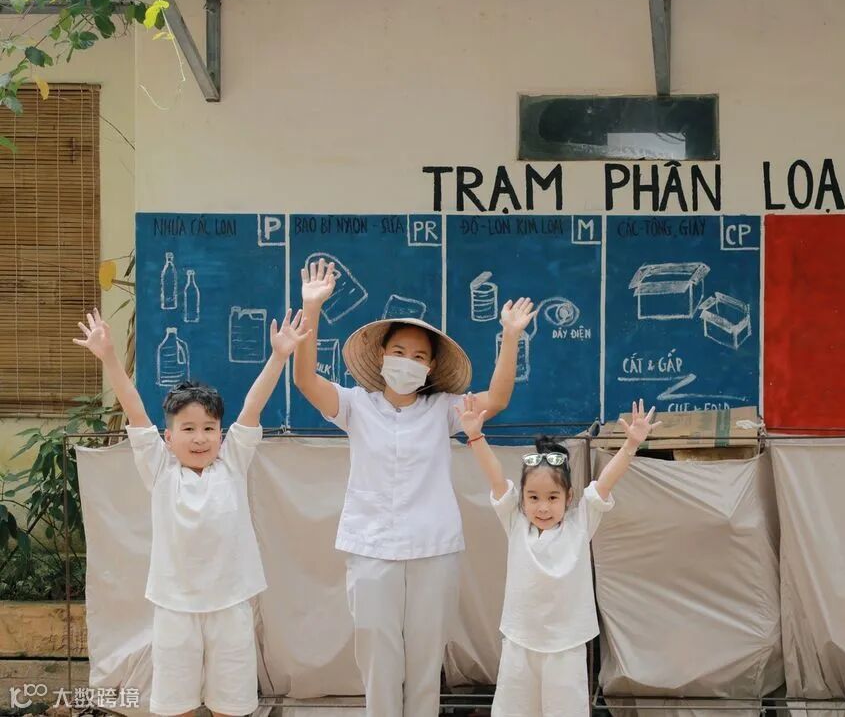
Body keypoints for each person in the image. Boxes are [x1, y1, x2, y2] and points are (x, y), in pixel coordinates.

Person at [291, 258, 537, 716]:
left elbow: (498, 398)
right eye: (400, 351)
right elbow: (305, 379)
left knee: (425, 658)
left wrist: (510, 337)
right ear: (382, 356)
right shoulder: (355, 405)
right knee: (377, 656)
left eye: (420, 356)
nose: (408, 361)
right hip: (370, 547)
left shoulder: (443, 409)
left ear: (431, 367)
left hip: (433, 548)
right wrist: (312, 309)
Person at [73, 308, 309, 716]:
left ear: (221, 433)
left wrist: (278, 356)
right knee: (175, 706)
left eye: (208, 428)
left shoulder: (233, 463)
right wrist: (109, 357)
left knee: (231, 706)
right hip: (174, 609)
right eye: (188, 429)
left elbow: (252, 407)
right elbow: (135, 411)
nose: (199, 438)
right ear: (168, 437)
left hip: (231, 607)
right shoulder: (160, 469)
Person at [457, 395, 660, 717]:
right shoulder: (515, 522)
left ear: (569, 497)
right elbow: (495, 477)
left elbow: (605, 483)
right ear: (522, 499)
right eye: (533, 497)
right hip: (520, 640)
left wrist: (631, 444)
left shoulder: (581, 523)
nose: (542, 507)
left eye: (552, 497)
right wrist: (475, 436)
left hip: (567, 645)